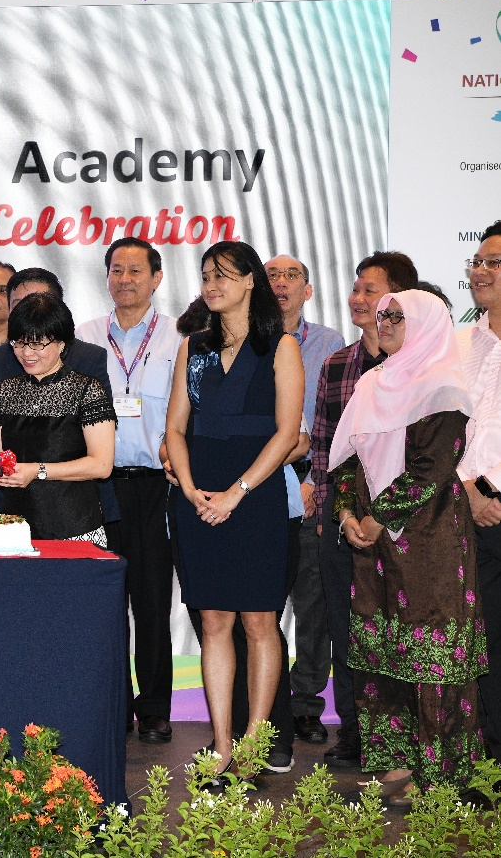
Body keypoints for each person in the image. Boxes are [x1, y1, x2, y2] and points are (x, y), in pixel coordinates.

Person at [330, 289, 485, 805]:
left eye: (399, 316)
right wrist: (349, 513)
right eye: (383, 315)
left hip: (430, 543)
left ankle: (439, 776)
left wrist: (376, 518)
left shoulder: (444, 388)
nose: (387, 322)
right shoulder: (374, 383)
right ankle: (396, 765)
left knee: (431, 657)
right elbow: (347, 460)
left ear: (426, 325)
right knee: (381, 656)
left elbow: (431, 471)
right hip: (374, 545)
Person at [165, 241, 303, 784]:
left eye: (224, 275)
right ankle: (221, 746)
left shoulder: (281, 345)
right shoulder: (193, 347)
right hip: (198, 497)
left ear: (251, 282)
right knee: (214, 621)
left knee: (259, 621)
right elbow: (175, 429)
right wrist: (196, 488)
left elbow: (287, 434)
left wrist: (237, 491)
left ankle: (253, 743)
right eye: (205, 275)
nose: (212, 284)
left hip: (256, 496)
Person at [309, 250, 419, 769]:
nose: (357, 298)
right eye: (355, 289)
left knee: (402, 633)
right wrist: (341, 514)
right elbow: (325, 449)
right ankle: (355, 733)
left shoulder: (419, 367)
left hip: (408, 528)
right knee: (345, 630)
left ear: (400, 301)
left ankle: (407, 740)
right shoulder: (335, 365)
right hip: (343, 523)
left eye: (370, 290)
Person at [76, 237, 182, 746]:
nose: (124, 279)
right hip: (96, 485)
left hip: (155, 485)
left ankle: (156, 708)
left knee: (152, 600)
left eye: (135, 270)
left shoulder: (181, 337)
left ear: (156, 278)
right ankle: (112, 705)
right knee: (103, 603)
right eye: (116, 269)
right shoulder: (86, 337)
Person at [263, 254, 347, 750]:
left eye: (291, 275)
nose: (281, 283)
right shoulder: (249, 339)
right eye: (272, 274)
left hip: (310, 482)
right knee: (262, 606)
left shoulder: (329, 344)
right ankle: (267, 702)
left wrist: (316, 478)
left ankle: (306, 705)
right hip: (258, 487)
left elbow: (331, 423)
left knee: (313, 605)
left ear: (308, 290)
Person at [0, 268, 116, 522]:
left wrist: (37, 471)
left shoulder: (88, 389)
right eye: (20, 343)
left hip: (72, 517)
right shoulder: (4, 390)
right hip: (15, 517)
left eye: (38, 344)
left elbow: (102, 465)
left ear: (61, 344)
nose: (27, 353)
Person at [456, 221, 501, 759]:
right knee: (483, 644)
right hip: (469, 508)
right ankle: (489, 760)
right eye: (479, 260)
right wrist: (466, 488)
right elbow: (437, 432)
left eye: (494, 262)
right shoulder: (457, 343)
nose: (480, 271)